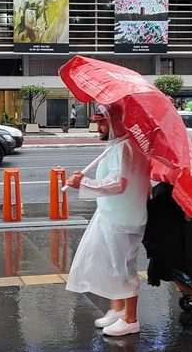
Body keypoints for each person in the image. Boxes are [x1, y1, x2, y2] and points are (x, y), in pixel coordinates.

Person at [65, 104, 151, 337]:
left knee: (123, 268)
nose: (98, 127)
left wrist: (82, 183)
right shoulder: (119, 146)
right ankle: (118, 310)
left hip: (123, 218)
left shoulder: (125, 148)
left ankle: (130, 319)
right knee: (110, 264)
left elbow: (117, 184)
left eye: (102, 122)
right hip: (113, 214)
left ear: (115, 122)